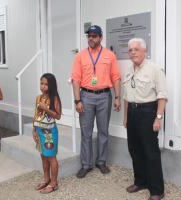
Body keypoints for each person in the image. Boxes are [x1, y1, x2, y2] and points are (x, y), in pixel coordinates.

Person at [71, 25, 121, 178]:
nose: (90, 38)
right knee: (86, 132)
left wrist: (118, 97)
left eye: (94, 36)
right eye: (89, 36)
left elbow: (116, 77)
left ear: (101, 38)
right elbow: (75, 79)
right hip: (86, 96)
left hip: (105, 96)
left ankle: (101, 161)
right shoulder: (80, 56)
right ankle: (86, 165)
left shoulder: (109, 55)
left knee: (103, 131)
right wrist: (77, 100)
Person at [123, 38, 168, 200]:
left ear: (144, 51)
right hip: (133, 113)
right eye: (130, 50)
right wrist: (126, 116)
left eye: (136, 49)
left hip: (148, 112)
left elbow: (162, 96)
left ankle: (156, 190)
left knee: (151, 152)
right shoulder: (129, 71)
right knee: (134, 149)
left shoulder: (155, 69)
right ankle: (140, 181)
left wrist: (158, 118)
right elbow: (127, 97)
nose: (133, 52)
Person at [33, 73, 62, 194]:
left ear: (51, 85)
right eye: (42, 83)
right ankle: (46, 179)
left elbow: (58, 116)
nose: (43, 86)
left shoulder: (54, 98)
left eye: (46, 84)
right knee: (43, 155)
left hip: (49, 132)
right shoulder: (38, 98)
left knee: (51, 157)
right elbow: (35, 114)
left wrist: (45, 108)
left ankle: (54, 183)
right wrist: (33, 129)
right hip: (39, 130)